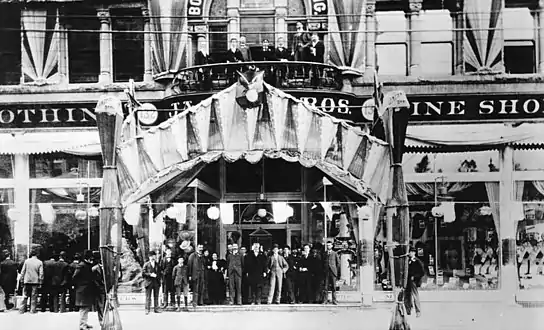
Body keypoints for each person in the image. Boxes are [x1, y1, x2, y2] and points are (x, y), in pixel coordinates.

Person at [72, 250, 96, 330]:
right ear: (88, 258)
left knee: (86, 307)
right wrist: (80, 284)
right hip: (83, 289)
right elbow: (74, 277)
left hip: (85, 289)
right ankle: (82, 325)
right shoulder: (82, 265)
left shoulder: (85, 265)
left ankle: (84, 323)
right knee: (83, 308)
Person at [19, 250, 43, 314]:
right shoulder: (40, 262)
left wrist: (21, 280)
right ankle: (32, 310)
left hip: (27, 281)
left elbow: (23, 271)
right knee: (34, 296)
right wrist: (40, 282)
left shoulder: (26, 261)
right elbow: (41, 273)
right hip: (35, 281)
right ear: (37, 254)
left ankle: (22, 310)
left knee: (25, 296)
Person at [405, 247, 424, 317]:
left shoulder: (417, 261)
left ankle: (418, 311)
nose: (410, 253)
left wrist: (415, 277)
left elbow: (422, 272)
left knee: (415, 295)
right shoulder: (407, 260)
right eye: (410, 252)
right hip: (407, 280)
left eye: (411, 252)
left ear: (414, 253)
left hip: (414, 281)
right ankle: (408, 310)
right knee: (407, 295)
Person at [142, 250, 162, 315]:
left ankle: (156, 308)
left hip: (156, 282)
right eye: (151, 256)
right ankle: (147, 309)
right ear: (149, 257)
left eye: (153, 256)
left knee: (156, 296)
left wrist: (158, 277)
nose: (152, 257)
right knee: (148, 297)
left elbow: (160, 272)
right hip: (148, 282)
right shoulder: (146, 264)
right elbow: (143, 273)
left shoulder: (157, 264)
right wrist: (150, 274)